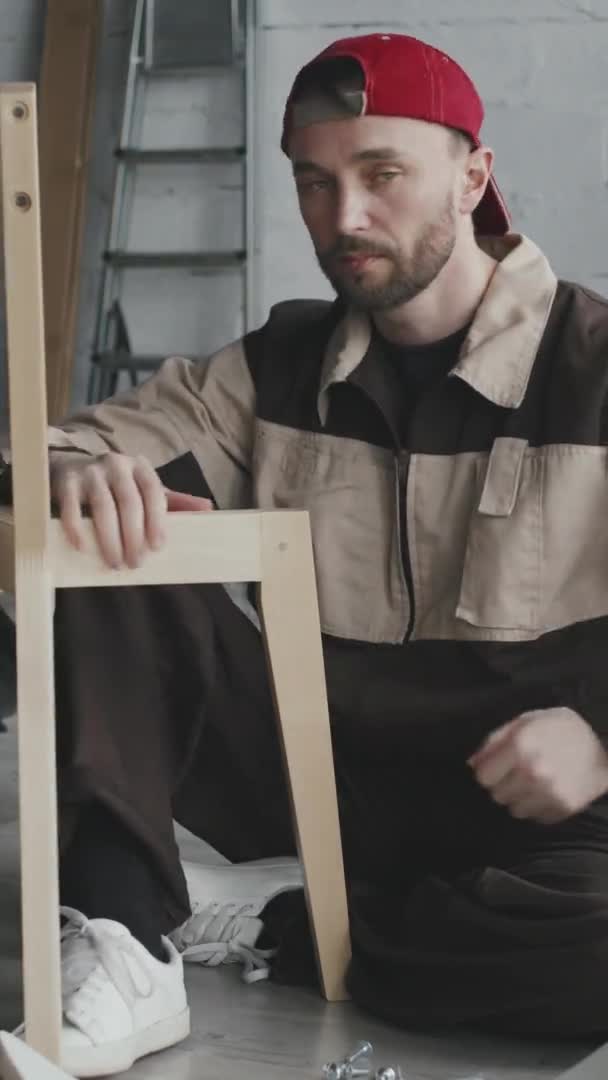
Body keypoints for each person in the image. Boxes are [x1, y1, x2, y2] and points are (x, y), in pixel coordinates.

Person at [13, 30, 608, 1076]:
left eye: (381, 175)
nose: (344, 219)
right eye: (314, 183)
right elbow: (64, 447)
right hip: (315, 787)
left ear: (472, 176)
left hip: (536, 819)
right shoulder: (274, 365)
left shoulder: (593, 367)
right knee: (101, 520)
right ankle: (125, 932)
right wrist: (70, 470)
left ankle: (290, 924)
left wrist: (600, 740)